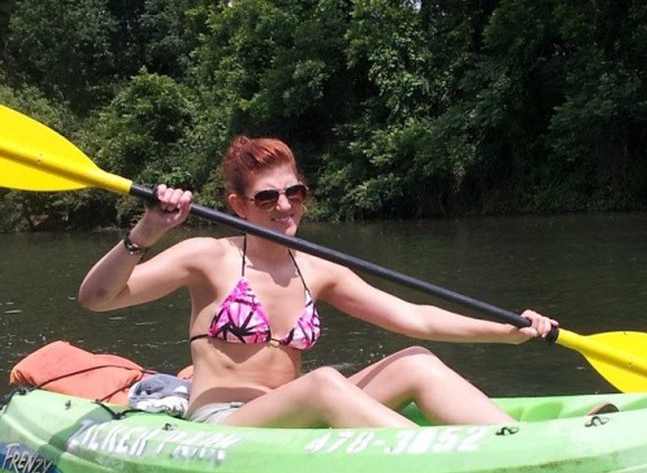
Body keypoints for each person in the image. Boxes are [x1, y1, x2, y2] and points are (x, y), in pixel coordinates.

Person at [78, 136, 557, 429]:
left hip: (294, 414)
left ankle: (515, 441)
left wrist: (509, 330)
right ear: (238, 205)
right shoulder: (209, 258)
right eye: (266, 198)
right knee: (325, 382)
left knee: (416, 362)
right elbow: (97, 299)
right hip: (225, 424)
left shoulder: (319, 269)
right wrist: (148, 232)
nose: (284, 206)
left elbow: (414, 316)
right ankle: (439, 457)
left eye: (294, 192)